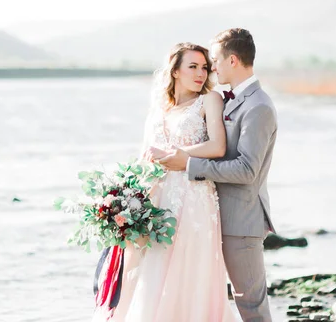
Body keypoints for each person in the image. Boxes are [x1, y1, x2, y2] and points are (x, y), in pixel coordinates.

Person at [93, 42, 235, 322]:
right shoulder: (159, 109)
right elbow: (144, 157)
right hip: (156, 199)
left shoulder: (210, 100)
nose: (201, 74)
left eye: (204, 67)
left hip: (193, 195)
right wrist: (123, 200)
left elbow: (218, 146)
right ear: (175, 71)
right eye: (192, 66)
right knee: (150, 267)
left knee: (188, 267)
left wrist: (178, 155)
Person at [159, 28, 277, 322]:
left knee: (250, 304)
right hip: (206, 216)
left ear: (233, 60)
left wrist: (188, 164)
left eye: (214, 61)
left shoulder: (258, 106)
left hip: (241, 220)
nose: (211, 68)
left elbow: (247, 170)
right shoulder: (231, 99)